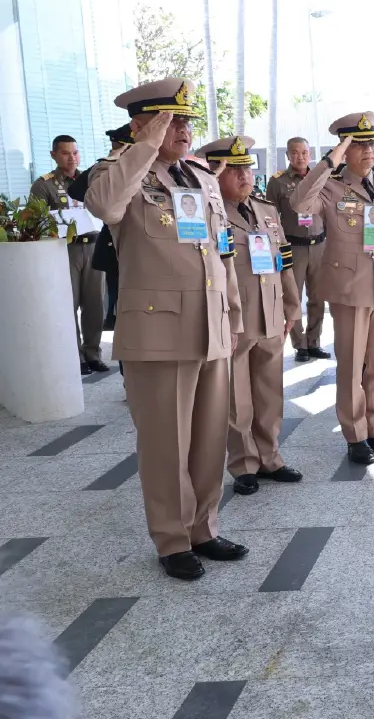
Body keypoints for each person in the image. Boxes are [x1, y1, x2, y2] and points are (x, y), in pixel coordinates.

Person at [85, 77, 248, 580]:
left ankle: (204, 528)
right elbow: (105, 207)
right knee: (166, 444)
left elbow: (221, 251)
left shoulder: (199, 175)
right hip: (158, 331)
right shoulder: (120, 171)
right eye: (170, 120)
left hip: (210, 324)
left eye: (185, 121)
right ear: (140, 125)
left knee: (208, 439)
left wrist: (233, 313)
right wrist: (145, 146)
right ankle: (173, 539)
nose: (183, 129)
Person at [291, 112, 374, 465]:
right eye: (358, 144)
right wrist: (330, 160)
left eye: (372, 143)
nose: (368, 151)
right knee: (350, 367)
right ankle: (356, 435)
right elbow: (300, 203)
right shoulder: (330, 187)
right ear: (344, 149)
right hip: (349, 289)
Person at [199, 136, 304, 497]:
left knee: (270, 392)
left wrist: (292, 306)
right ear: (217, 173)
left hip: (271, 311)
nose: (244, 176)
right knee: (237, 397)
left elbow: (284, 260)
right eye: (234, 169)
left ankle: (270, 456)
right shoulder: (209, 212)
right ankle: (244, 463)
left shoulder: (265, 210)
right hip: (235, 317)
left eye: (247, 168)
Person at [31, 134, 107, 376]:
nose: (71, 158)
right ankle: (75, 356)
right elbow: (36, 221)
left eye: (75, 152)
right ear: (54, 155)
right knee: (68, 304)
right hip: (65, 250)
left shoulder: (91, 180)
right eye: (65, 153)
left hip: (93, 246)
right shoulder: (44, 184)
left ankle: (93, 353)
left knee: (95, 305)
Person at [267, 137, 331, 362]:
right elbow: (270, 216)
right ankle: (299, 344)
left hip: (319, 246)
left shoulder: (321, 179)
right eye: (295, 153)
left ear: (310, 154)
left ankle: (314, 341)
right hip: (293, 247)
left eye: (304, 152)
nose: (300, 157)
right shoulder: (277, 182)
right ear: (287, 155)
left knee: (318, 297)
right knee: (292, 297)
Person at [69, 125, 135, 334]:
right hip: (115, 246)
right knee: (119, 304)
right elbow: (76, 190)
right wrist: (112, 159)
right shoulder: (108, 169)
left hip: (140, 247)